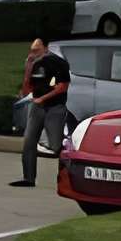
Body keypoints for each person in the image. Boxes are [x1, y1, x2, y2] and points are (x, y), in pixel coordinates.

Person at [13, 37, 72, 190]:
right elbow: (28, 88)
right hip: (37, 107)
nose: (34, 53)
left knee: (56, 146)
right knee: (29, 142)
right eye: (32, 51)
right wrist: (28, 68)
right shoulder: (35, 64)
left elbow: (62, 87)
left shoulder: (58, 63)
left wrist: (43, 99)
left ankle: (68, 178)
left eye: (37, 50)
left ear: (46, 48)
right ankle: (28, 178)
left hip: (54, 108)